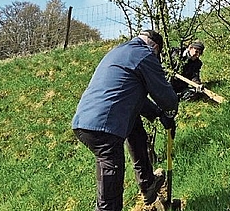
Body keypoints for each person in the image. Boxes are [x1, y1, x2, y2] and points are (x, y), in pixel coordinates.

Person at [72, 29, 178, 211]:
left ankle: (147, 184)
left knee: (135, 129)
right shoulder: (145, 54)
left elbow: (132, 97)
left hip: (86, 120)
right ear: (155, 47)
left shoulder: (119, 51)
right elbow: (165, 95)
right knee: (110, 194)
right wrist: (169, 112)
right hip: (103, 127)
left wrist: (158, 114)